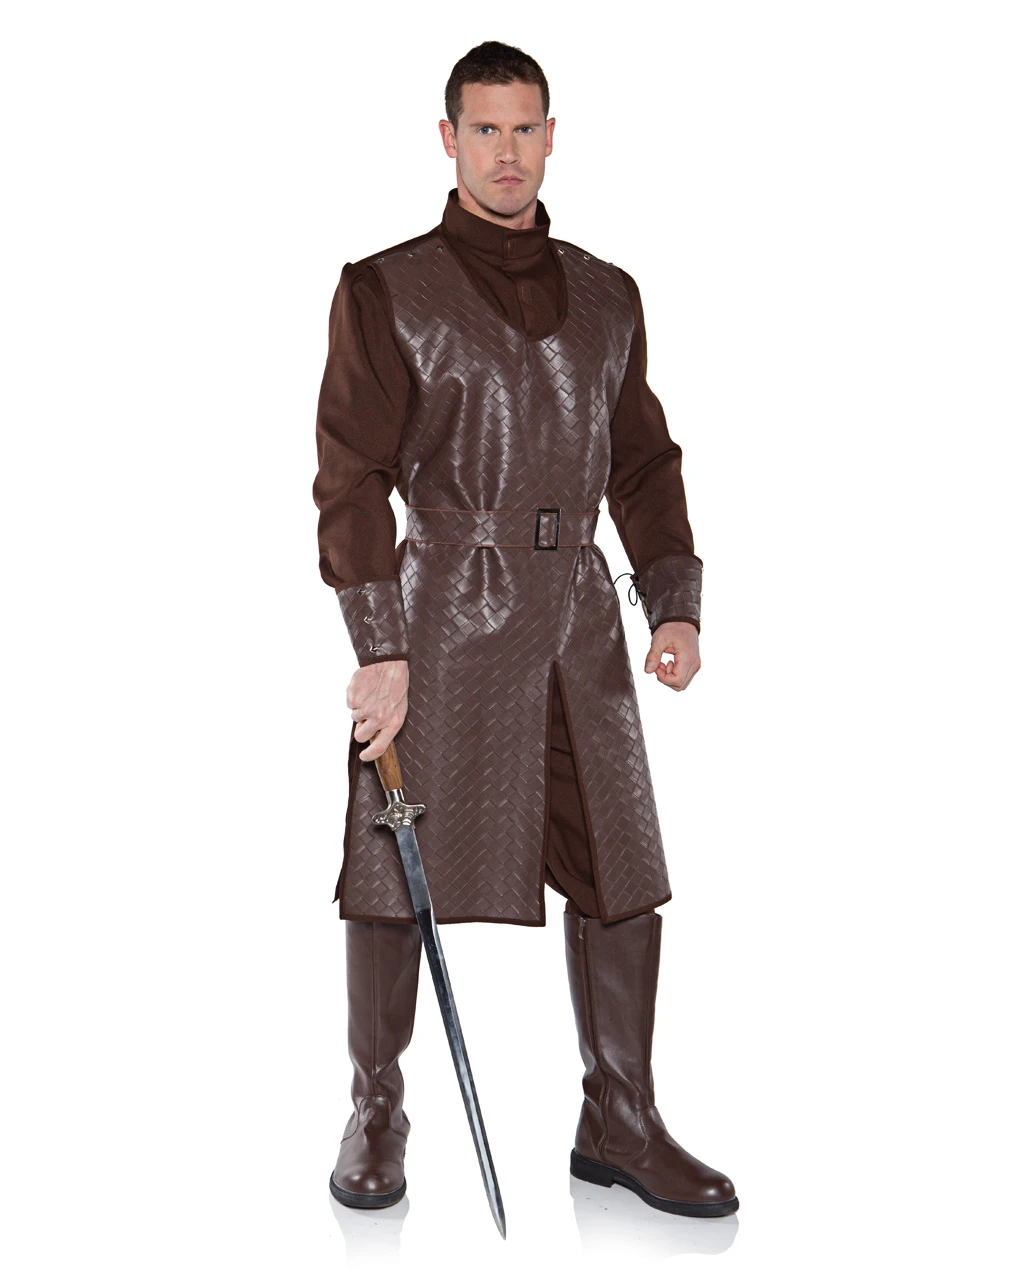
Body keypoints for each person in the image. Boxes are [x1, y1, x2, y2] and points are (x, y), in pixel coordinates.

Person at [313, 40, 738, 1220]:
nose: (507, 152)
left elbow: (643, 459)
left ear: (552, 137)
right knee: (392, 860)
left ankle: (620, 1116)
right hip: (443, 614)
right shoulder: (387, 289)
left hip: (579, 620)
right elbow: (349, 478)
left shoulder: (608, 295)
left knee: (620, 863)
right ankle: (376, 1106)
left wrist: (672, 599)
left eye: (525, 128)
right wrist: (378, 642)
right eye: (485, 129)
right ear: (448, 138)